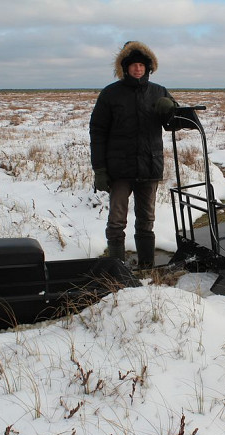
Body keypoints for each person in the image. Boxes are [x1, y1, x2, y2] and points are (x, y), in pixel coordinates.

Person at [90, 41, 176, 268]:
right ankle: (116, 267)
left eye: (141, 65)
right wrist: (99, 169)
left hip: (149, 167)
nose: (137, 69)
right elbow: (97, 132)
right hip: (120, 170)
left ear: (148, 67)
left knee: (146, 219)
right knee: (116, 221)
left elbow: (174, 123)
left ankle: (147, 265)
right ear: (124, 68)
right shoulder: (110, 94)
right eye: (133, 65)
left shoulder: (159, 91)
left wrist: (170, 109)